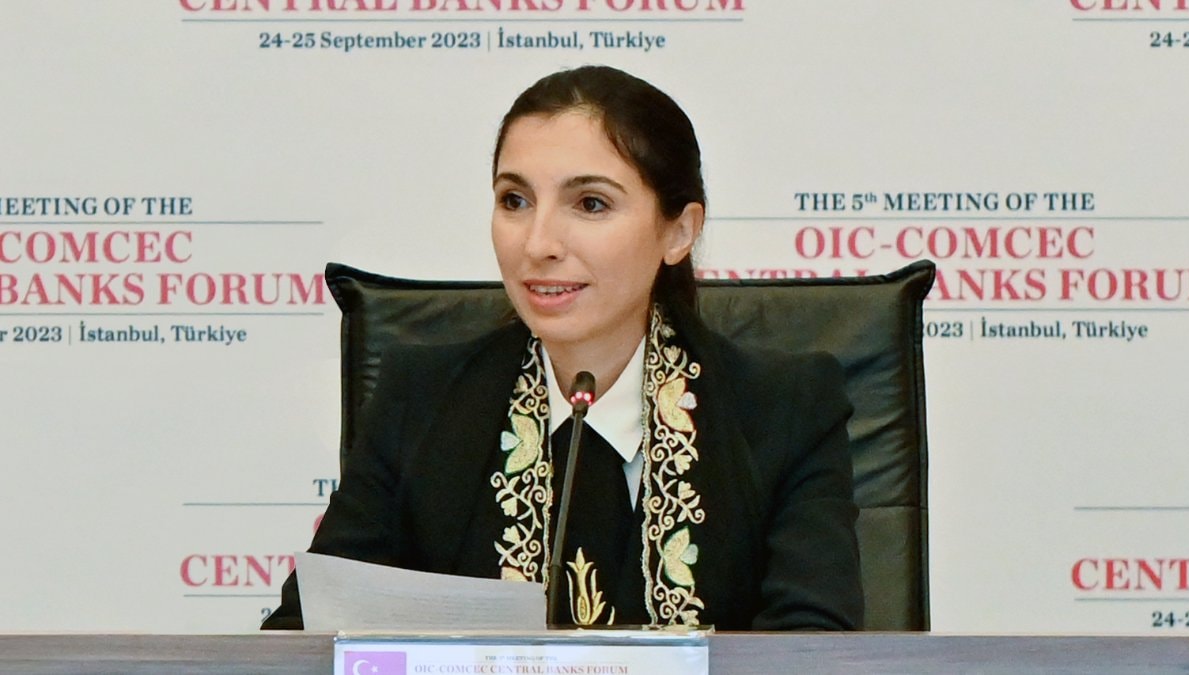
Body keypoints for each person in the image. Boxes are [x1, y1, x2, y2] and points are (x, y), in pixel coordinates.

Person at [263, 65, 863, 631]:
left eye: (590, 204)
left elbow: (812, 650)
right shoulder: (419, 401)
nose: (538, 243)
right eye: (515, 201)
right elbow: (304, 638)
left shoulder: (785, 410)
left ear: (679, 231)